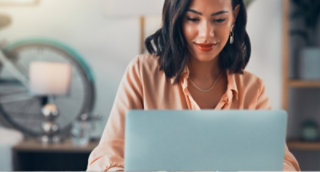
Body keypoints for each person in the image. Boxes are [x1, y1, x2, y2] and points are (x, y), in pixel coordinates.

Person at [87, 0, 300, 171]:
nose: (206, 33)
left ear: (234, 16)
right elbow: (105, 157)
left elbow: (283, 162)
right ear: (176, 19)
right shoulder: (142, 73)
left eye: (219, 20)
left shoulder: (252, 87)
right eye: (192, 19)